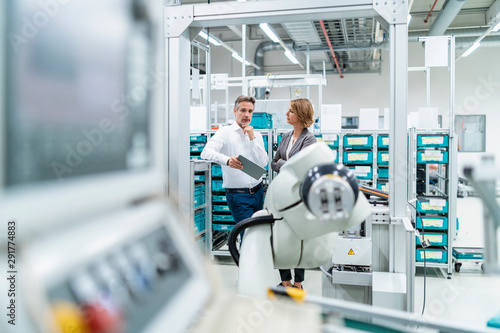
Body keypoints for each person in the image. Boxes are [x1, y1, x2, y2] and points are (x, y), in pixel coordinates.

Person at [201, 95, 268, 239]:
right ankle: (245, 261)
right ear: (235, 111)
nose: (246, 115)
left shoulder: (256, 135)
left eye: (250, 111)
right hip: (238, 196)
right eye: (243, 110)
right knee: (249, 235)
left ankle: (252, 260)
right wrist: (227, 160)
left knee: (258, 235)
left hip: (258, 192)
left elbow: (263, 162)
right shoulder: (225, 132)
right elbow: (205, 152)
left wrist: (252, 139)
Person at [271, 98, 317, 289]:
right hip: (282, 193)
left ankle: (298, 283)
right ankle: (285, 280)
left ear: (300, 114)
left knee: (299, 239)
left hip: (299, 196)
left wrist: (283, 163)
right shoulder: (285, 136)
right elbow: (273, 162)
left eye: (290, 111)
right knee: (281, 237)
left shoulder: (310, 139)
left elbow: (301, 167)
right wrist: (284, 164)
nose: (286, 114)